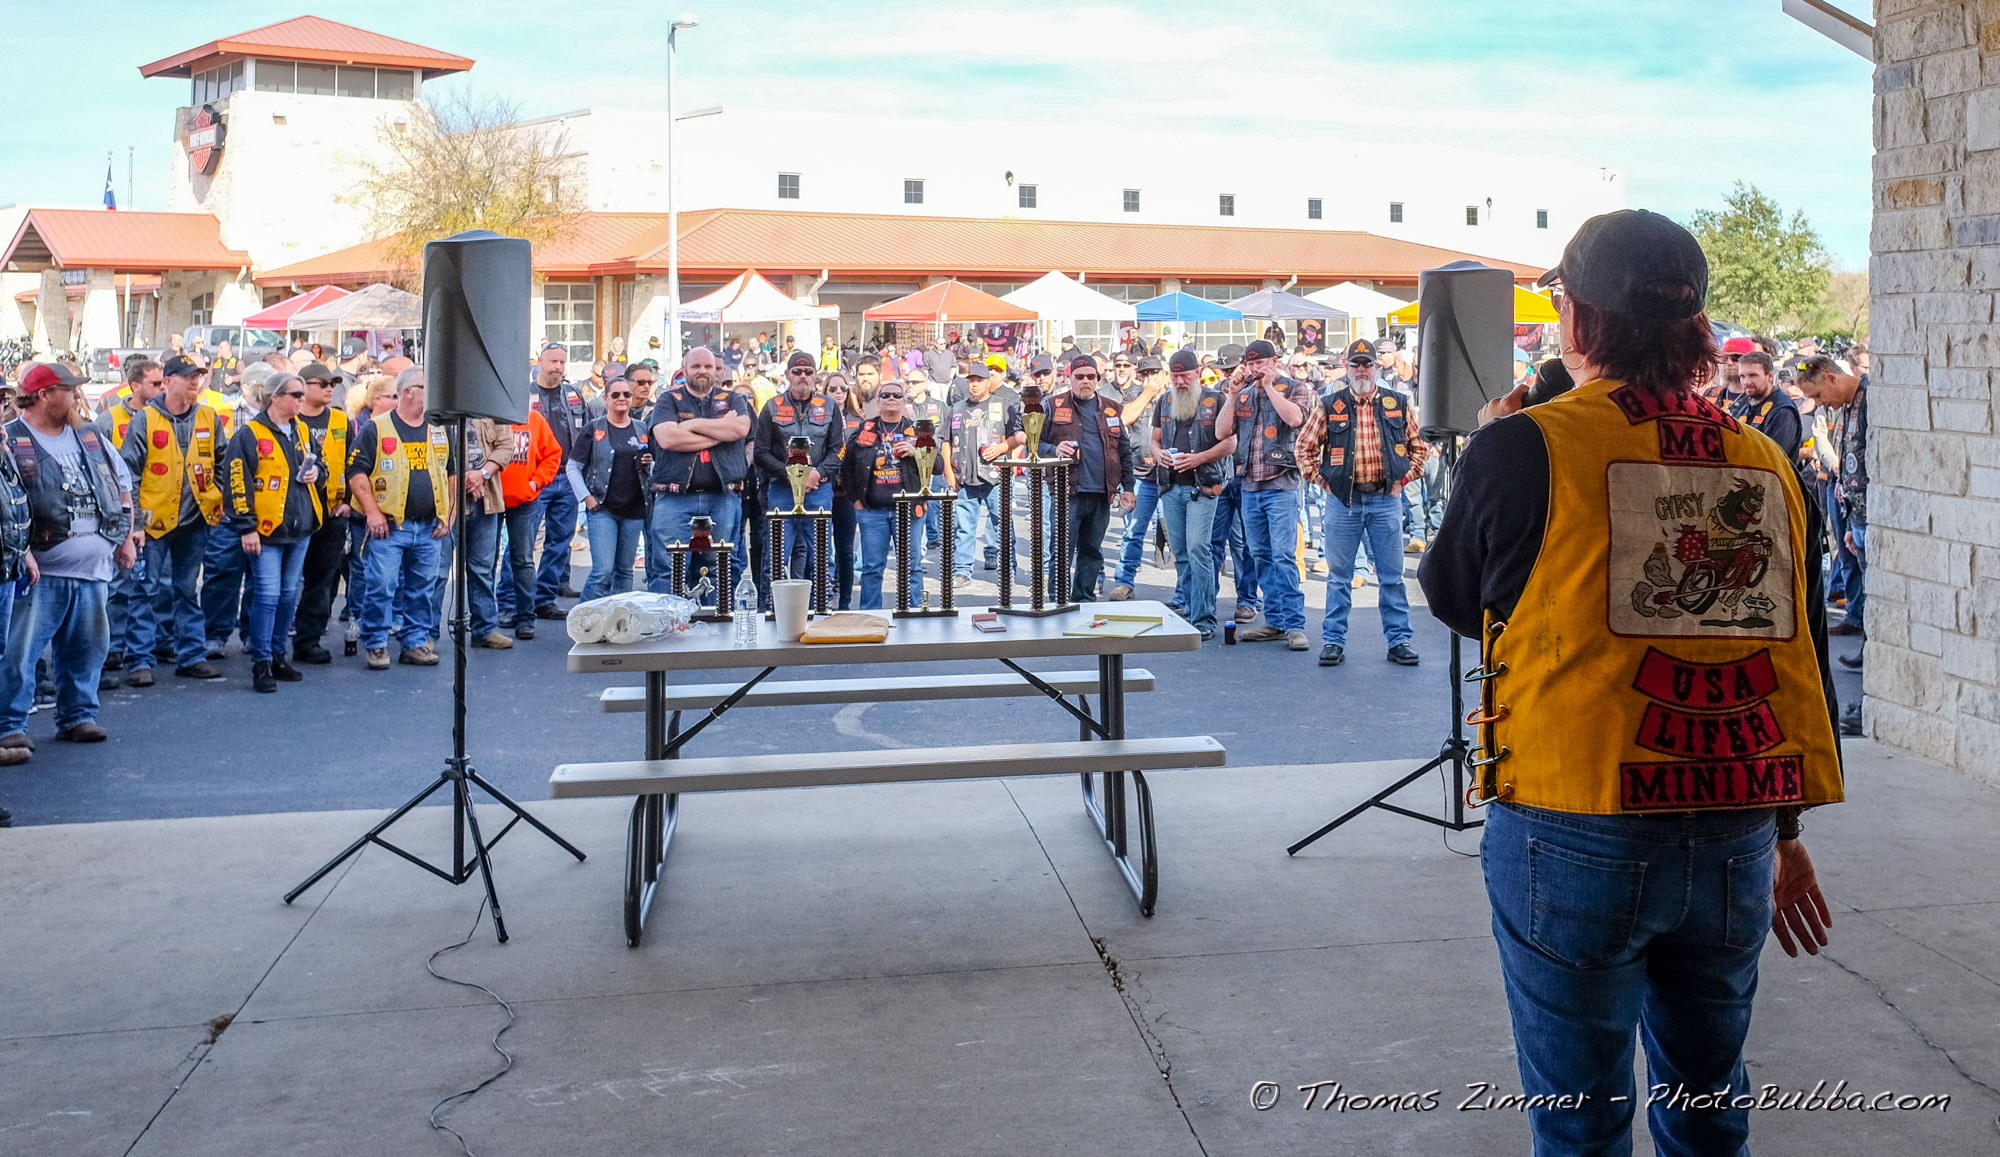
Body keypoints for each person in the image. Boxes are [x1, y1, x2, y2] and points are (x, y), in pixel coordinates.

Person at [1419, 209, 1842, 1157]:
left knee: (1580, 1123)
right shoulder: (1768, 460)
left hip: (1574, 820)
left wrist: (1491, 453)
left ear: (1577, 320)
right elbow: (1794, 657)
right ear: (1698, 330)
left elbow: (1456, 597)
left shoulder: (1523, 446)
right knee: (1709, 1109)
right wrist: (1786, 832)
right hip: (1736, 820)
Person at [0, 363, 137, 749]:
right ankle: (9, 726)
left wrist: (126, 538)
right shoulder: (11, 439)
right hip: (39, 572)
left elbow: (122, 487)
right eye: (69, 389)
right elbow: (6, 504)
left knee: (88, 649)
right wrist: (22, 551)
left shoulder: (90, 435)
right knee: (19, 653)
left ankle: (78, 716)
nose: (77, 395)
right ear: (44, 395)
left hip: (94, 568)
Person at [1314, 339, 1427, 668]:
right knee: (1339, 577)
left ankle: (1399, 641)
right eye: (1356, 364)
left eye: (1367, 364)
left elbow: (1419, 448)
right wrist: (1326, 483)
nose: (1362, 370)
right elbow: (1304, 449)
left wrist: (1403, 481)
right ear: (1346, 368)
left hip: (1384, 499)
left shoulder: (1398, 402)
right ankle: (1333, 641)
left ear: (1377, 367)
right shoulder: (1329, 404)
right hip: (1344, 502)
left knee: (1392, 577)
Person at [120, 354, 226, 682]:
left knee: (186, 590)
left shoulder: (209, 417)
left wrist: (217, 495)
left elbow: (223, 461)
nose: (196, 382)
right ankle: (139, 660)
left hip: (195, 520)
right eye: (188, 376)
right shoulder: (146, 419)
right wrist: (136, 524)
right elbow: (129, 475)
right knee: (145, 590)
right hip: (154, 523)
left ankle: (191, 655)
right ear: (167, 382)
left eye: (199, 376)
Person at [345, 366, 454, 670]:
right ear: (408, 392)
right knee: (382, 586)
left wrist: (449, 514)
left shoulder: (439, 429)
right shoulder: (376, 429)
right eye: (427, 387)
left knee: (423, 588)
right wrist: (372, 512)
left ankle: (415, 642)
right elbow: (355, 472)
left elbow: (451, 472)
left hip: (429, 526)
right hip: (390, 526)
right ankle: (377, 643)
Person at [219, 372, 323, 693]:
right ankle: (261, 660)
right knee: (267, 594)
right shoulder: (249, 434)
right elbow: (237, 482)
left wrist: (317, 472)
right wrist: (246, 527)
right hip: (266, 529)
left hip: (300, 526)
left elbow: (321, 464)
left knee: (289, 594)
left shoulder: (302, 430)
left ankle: (278, 654)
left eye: (302, 394)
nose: (301, 400)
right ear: (275, 397)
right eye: (295, 394)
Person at [647, 346, 753, 604]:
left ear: (718, 370)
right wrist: (720, 432)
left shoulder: (734, 400)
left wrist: (691, 425)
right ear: (684, 370)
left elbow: (740, 429)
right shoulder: (668, 400)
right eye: (696, 366)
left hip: (722, 497)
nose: (702, 371)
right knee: (669, 568)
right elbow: (667, 438)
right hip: (675, 498)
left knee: (719, 568)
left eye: (708, 366)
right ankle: (669, 625)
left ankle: (715, 624)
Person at [1229, 340, 1315, 650]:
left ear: (1274, 361)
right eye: (1251, 364)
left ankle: (1294, 625)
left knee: (1283, 555)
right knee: (1261, 555)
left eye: (1260, 363)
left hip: (1281, 483)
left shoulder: (1295, 388)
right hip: (1250, 484)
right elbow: (1222, 432)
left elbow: (1295, 419)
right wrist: (1232, 394)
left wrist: (1269, 387)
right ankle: (1275, 621)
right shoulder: (1245, 393)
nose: (1255, 369)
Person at [1798, 354, 1869, 728]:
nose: (1819, 404)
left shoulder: (1870, 399)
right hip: (1856, 514)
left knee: (1874, 594)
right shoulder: (1846, 405)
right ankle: (1867, 651)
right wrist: (1851, 517)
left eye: (1817, 395)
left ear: (1829, 377)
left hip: (1870, 517)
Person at [1149, 349, 1235, 637]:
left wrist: (1198, 458)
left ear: (1197, 372)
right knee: (1181, 552)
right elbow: (1154, 440)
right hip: (1171, 486)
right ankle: (1191, 610)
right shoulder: (1165, 400)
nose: (1180, 381)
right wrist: (1158, 454)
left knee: (1199, 548)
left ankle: (1205, 618)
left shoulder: (1215, 399)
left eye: (1185, 375)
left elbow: (1231, 443)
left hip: (1203, 486)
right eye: (1175, 376)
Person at [1039, 352, 1136, 603]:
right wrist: (1054, 449)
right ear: (1069, 378)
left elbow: (1124, 450)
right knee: (1061, 550)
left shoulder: (1112, 408)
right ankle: (1058, 601)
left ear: (1098, 379)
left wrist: (1128, 487)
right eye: (1080, 376)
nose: (1085, 381)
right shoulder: (1052, 405)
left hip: (1102, 493)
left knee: (1092, 551)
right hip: (1066, 492)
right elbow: (1033, 443)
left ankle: (1083, 600)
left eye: (1091, 377)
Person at [754, 351, 846, 591]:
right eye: (797, 371)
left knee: (822, 557)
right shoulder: (771, 406)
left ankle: (821, 608)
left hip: (818, 488)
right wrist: (791, 475)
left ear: (815, 375)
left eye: (808, 372)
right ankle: (772, 608)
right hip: (781, 489)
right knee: (776, 558)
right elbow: (760, 453)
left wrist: (817, 473)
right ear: (787, 375)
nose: (802, 376)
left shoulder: (829, 406)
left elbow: (839, 450)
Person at [96, 357, 163, 686]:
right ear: (134, 386)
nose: (161, 388)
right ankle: (113, 647)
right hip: (121, 516)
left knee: (151, 587)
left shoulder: (164, 418)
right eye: (155, 383)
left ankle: (146, 649)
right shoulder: (110, 419)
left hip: (158, 515)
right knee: (118, 586)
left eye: (163, 382)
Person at [842, 379, 931, 610]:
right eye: (886, 395)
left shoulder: (918, 430)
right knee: (872, 568)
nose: (891, 399)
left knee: (911, 567)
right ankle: (870, 616)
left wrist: (917, 452)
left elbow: (938, 465)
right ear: (878, 400)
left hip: (909, 511)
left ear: (905, 400)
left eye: (897, 395)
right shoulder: (865, 429)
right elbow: (846, 467)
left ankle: (913, 614)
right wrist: (856, 501)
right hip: (872, 511)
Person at [285, 363, 352, 665]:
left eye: (333, 384)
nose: (329, 389)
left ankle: (309, 640)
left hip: (331, 512)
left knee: (323, 580)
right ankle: (270, 641)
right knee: (284, 582)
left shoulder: (340, 420)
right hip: (296, 513)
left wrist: (348, 501)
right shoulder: (291, 420)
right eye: (322, 383)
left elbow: (353, 462)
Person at [569, 367, 655, 600]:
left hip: (634, 510)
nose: (621, 399)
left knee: (625, 572)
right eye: (615, 395)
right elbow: (573, 467)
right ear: (606, 398)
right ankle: (585, 616)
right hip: (603, 509)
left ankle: (618, 619)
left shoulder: (641, 428)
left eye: (626, 394)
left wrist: (650, 463)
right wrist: (586, 498)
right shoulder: (593, 428)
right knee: (603, 571)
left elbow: (653, 466)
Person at [530, 344, 595, 619]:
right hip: (536, 477)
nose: (558, 367)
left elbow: (589, 430)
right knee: (523, 544)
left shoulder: (574, 394)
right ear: (540, 361)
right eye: (553, 361)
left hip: (568, 477)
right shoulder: (525, 395)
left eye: (562, 362)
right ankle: (512, 601)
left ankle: (545, 599)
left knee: (560, 542)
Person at [947, 361, 1023, 586]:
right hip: (965, 478)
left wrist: (1001, 448)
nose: (974, 385)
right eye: (971, 380)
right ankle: (962, 571)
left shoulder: (1003, 405)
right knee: (964, 528)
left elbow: (1019, 436)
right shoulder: (957, 408)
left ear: (989, 382)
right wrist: (949, 473)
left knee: (1003, 526)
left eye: (979, 380)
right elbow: (945, 441)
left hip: (996, 478)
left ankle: (1008, 569)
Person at [496, 408, 561, 639]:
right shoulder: (488, 417)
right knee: (485, 563)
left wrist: (535, 482)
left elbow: (553, 454)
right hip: (490, 498)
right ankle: (496, 614)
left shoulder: (533, 418)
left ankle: (525, 618)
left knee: (522, 560)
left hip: (525, 500)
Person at [1110, 354, 1169, 600]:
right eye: (1144, 373)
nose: (1148, 378)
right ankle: (1124, 582)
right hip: (1141, 474)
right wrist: (1147, 393)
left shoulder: (1174, 397)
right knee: (1133, 531)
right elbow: (1124, 419)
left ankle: (1184, 593)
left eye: (1154, 373)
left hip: (1171, 475)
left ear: (1164, 374)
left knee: (1178, 537)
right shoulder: (1133, 396)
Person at [1207, 343, 1258, 623]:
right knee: (1213, 541)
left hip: (1246, 473)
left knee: (1245, 543)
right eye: (1223, 369)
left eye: (1231, 368)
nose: (1227, 374)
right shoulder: (1218, 394)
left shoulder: (1256, 391)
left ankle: (1247, 600)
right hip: (1220, 473)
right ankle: (1207, 600)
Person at [1729, 351, 1806, 471]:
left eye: (1753, 375)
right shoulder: (1744, 405)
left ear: (1770, 376)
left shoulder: (1782, 410)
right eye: (1742, 376)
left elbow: (1773, 458)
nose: (1746, 382)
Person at [826, 373, 864, 609]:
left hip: (846, 493)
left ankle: (844, 601)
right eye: (832, 389)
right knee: (819, 549)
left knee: (845, 550)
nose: (838, 392)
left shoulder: (858, 421)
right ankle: (822, 595)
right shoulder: (817, 418)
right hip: (821, 489)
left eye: (842, 388)